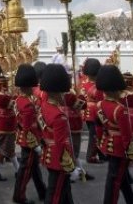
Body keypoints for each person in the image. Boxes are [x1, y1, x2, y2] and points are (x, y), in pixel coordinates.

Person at [95, 65, 133, 204]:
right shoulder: (120, 109)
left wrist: (101, 142)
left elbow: (99, 127)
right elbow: (127, 135)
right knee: (114, 181)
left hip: (108, 143)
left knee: (121, 178)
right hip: (120, 148)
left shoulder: (100, 104)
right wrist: (132, 154)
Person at [39, 64, 75, 204]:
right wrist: (70, 164)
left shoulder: (45, 107)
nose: (64, 95)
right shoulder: (59, 116)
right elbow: (61, 144)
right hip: (59, 159)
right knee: (55, 194)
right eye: (63, 93)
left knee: (64, 190)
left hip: (49, 154)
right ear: (57, 92)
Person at [13, 63, 47, 204]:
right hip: (30, 141)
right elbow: (28, 127)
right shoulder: (27, 103)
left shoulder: (20, 100)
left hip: (26, 138)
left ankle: (42, 192)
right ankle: (19, 196)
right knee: (25, 171)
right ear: (29, 86)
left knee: (34, 169)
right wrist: (36, 145)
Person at [0, 76, 18, 181]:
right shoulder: (3, 97)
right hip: (7, 126)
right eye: (5, 84)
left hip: (2, 125)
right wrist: (15, 95)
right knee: (7, 149)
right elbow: (12, 104)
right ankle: (17, 170)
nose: (6, 87)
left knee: (2, 148)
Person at [80, 58, 104, 164]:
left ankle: (101, 153)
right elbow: (100, 101)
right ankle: (91, 156)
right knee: (95, 135)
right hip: (96, 112)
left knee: (95, 134)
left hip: (86, 111)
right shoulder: (98, 86)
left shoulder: (83, 84)